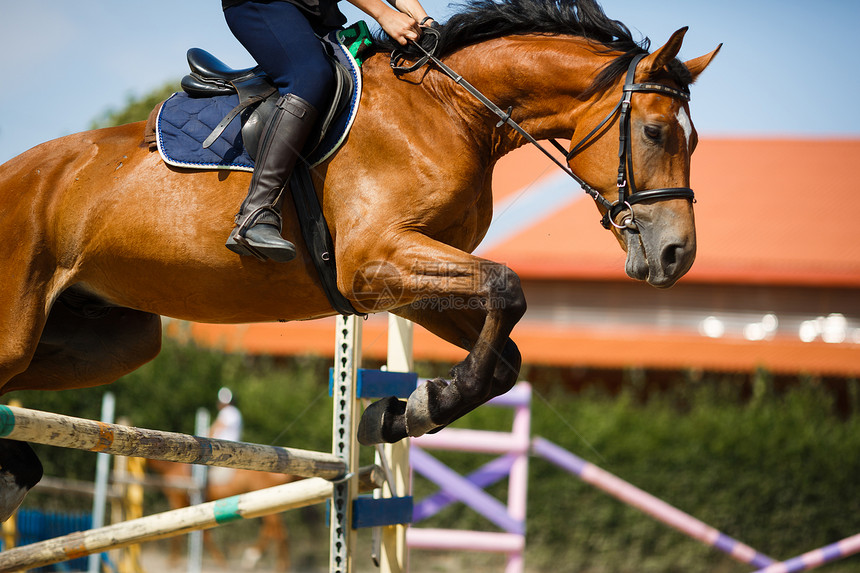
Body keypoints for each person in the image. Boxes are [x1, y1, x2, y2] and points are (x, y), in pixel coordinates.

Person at [222, 0, 435, 262]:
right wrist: (384, 14)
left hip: (317, 12)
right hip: (263, 5)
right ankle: (256, 212)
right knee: (309, 76)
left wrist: (424, 20)